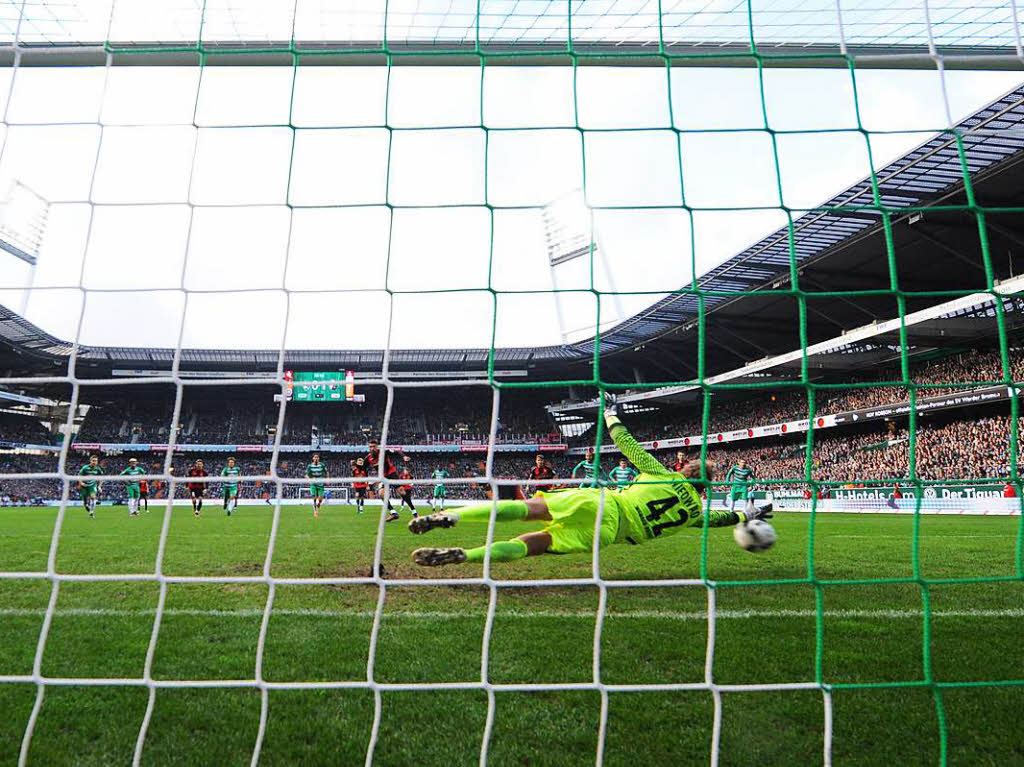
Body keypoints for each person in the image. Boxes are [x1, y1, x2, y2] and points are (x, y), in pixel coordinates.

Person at [409, 398, 772, 567]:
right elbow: (719, 520)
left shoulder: (666, 473)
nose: (688, 463)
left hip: (604, 503)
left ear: (691, 473)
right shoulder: (695, 511)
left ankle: (452, 517)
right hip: (608, 534)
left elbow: (627, 445)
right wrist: (748, 515)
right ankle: (466, 556)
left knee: (524, 509)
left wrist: (611, 415)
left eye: (693, 463)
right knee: (531, 543)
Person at [77, 454, 104, 519]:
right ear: (90, 461)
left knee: (93, 497)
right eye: (93, 461)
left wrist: (99, 486)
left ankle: (91, 512)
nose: (95, 462)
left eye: (96, 461)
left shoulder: (98, 469)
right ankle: (86, 505)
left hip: (92, 485)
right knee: (85, 501)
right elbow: (79, 476)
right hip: (84, 486)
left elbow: (102, 478)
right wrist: (81, 483)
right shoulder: (85, 468)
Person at [305, 453, 328, 518]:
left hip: (321, 484)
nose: (316, 458)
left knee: (320, 499)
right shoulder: (310, 466)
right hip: (313, 484)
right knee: (314, 497)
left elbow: (326, 472)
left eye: (317, 457)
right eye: (315, 457)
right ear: (313, 458)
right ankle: (315, 511)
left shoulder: (322, 465)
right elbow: (306, 475)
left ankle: (319, 504)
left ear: (319, 458)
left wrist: (327, 479)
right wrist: (309, 479)